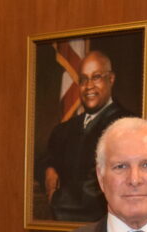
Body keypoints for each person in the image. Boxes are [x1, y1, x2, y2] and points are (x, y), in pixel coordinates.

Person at [40, 50, 134, 222]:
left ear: (111, 79)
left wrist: (56, 198)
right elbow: (49, 159)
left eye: (96, 77)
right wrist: (49, 168)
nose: (89, 85)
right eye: (83, 79)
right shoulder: (64, 129)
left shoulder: (126, 125)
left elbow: (97, 191)